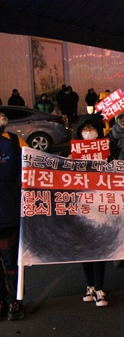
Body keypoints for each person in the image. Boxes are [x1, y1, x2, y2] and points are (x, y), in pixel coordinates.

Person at [71, 113, 109, 306]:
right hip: (81, 205)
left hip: (101, 204)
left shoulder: (107, 149)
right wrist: (67, 162)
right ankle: (90, 285)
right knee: (85, 247)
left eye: (92, 128)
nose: (88, 133)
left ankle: (100, 287)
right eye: (84, 129)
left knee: (98, 246)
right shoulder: (73, 152)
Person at [0, 111, 28, 320]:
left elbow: (31, 165)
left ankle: (15, 301)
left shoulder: (14, 141)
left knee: (12, 261)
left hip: (9, 213)